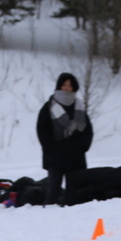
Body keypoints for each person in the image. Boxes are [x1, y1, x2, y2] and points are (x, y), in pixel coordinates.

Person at [36, 72, 94, 206]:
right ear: (59, 86)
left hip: (75, 155)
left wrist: (83, 146)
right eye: (64, 85)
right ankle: (47, 216)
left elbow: (88, 130)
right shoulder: (49, 106)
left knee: (74, 195)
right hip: (55, 155)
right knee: (53, 193)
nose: (67, 87)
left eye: (70, 85)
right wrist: (48, 147)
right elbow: (42, 129)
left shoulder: (79, 106)